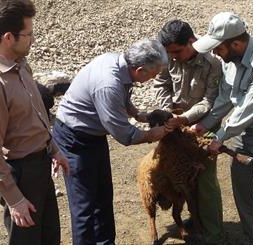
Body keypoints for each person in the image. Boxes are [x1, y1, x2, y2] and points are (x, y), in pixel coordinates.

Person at [52, 38, 171, 245]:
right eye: (153, 74)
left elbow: (122, 97)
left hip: (94, 136)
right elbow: (123, 133)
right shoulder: (108, 83)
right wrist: (152, 135)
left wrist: (140, 115)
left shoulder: (118, 63)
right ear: (140, 69)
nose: (153, 79)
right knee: (84, 206)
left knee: (103, 197)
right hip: (75, 140)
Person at [191, 12, 253, 245]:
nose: (215, 53)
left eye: (218, 48)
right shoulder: (232, 61)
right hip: (242, 135)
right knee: (244, 192)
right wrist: (202, 125)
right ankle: (252, 238)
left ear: (235, 43)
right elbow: (226, 100)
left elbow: (249, 109)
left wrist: (219, 137)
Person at [0, 1, 69, 245]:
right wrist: (15, 200)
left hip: (41, 166)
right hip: (20, 176)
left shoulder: (21, 66)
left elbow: (35, 117)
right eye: (28, 34)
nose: (33, 39)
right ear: (8, 37)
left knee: (50, 239)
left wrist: (54, 149)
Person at [154, 19, 227, 245]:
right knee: (182, 178)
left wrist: (184, 119)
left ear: (191, 42)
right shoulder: (169, 57)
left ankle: (214, 235)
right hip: (174, 127)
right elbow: (161, 84)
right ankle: (196, 222)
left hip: (202, 126)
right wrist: (167, 113)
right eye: (169, 53)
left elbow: (209, 101)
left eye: (176, 51)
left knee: (204, 181)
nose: (172, 57)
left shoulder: (213, 62)